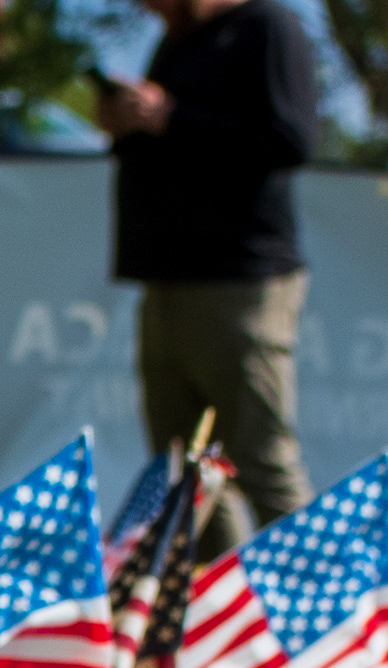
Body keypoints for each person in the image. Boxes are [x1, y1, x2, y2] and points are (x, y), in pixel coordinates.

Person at [98, 0, 320, 551]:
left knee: (262, 459)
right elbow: (172, 145)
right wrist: (127, 126)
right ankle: (215, 613)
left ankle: (324, 624)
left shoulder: (267, 27)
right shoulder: (178, 39)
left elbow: (290, 138)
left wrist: (171, 116)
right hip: (167, 276)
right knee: (184, 470)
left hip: (239, 283)